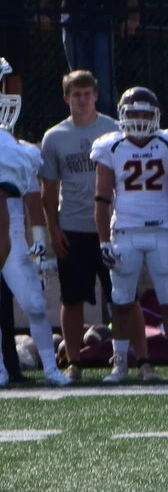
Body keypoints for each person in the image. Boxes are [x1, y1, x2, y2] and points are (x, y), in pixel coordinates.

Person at [91, 87, 168, 384]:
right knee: (122, 302)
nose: (140, 119)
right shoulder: (110, 146)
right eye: (134, 113)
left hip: (161, 231)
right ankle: (120, 365)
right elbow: (102, 198)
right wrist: (103, 240)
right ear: (122, 116)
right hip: (125, 232)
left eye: (145, 113)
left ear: (156, 116)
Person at [38, 68, 115, 372]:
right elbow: (48, 190)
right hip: (72, 227)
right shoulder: (54, 137)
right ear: (66, 97)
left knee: (120, 299)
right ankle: (74, 362)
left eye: (87, 94)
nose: (82, 100)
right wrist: (53, 229)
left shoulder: (113, 129)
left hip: (110, 228)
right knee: (72, 300)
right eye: (76, 95)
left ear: (96, 95)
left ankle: (122, 359)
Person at [0, 59, 68, 383]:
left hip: (12, 235)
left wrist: (39, 240)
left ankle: (51, 368)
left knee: (36, 305)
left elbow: (32, 198)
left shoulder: (21, 149)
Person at [38, 0, 136, 102]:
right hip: (72, 15)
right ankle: (80, 124)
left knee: (103, 83)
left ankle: (108, 126)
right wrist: (41, 11)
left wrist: (133, 16)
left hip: (102, 15)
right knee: (77, 82)